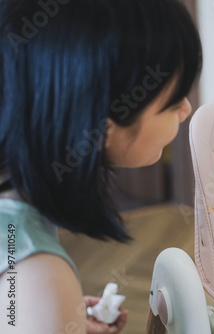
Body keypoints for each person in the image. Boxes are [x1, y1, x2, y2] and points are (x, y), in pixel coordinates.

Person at [0, 0, 201, 332]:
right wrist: (52, 309)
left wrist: (63, 317)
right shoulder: (38, 277)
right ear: (100, 128)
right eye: (173, 100)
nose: (186, 110)